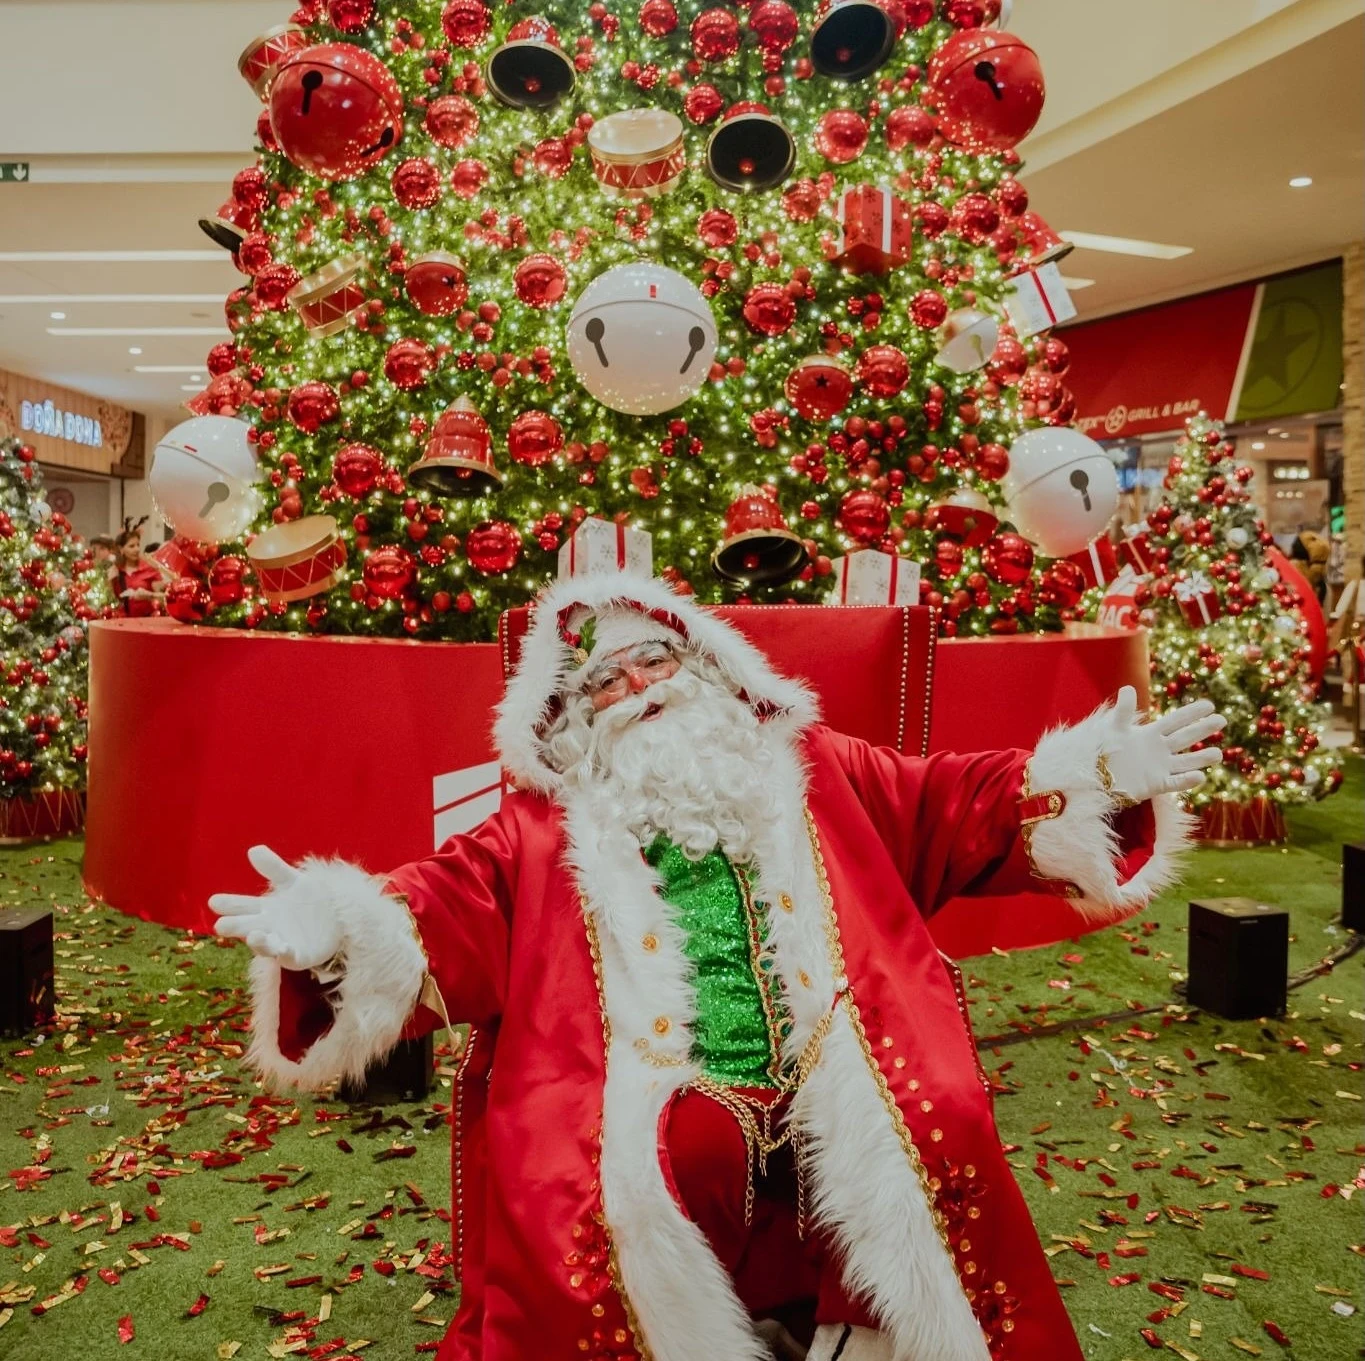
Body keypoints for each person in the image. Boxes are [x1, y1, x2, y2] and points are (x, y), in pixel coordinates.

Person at [212, 573, 1224, 1361]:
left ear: (702, 665)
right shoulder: (534, 834)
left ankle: (864, 1331)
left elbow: (960, 802)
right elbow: (433, 912)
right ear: (568, 724)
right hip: (639, 1091)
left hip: (842, 1049)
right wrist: (338, 933)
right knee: (629, 1179)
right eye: (602, 682)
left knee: (923, 1117)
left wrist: (1082, 778)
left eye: (652, 661)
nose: (635, 690)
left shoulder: (821, 768)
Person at [109, 518, 168, 616]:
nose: (137, 549)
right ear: (121, 549)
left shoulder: (149, 568)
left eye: (138, 545)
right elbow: (111, 601)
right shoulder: (116, 571)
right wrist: (110, 581)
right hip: (122, 623)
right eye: (131, 546)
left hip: (147, 622)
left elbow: (165, 599)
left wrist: (149, 596)